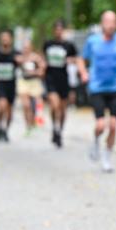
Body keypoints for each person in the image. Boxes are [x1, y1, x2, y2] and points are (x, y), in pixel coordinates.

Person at [77, 11, 116, 173]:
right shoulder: (92, 41)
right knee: (100, 125)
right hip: (97, 87)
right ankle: (96, 140)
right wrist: (83, 72)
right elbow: (82, 59)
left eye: (114, 22)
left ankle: (107, 157)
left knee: (114, 126)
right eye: (108, 22)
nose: (111, 25)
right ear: (102, 23)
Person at [43, 20, 79, 148]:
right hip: (51, 79)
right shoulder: (48, 44)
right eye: (56, 29)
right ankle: (54, 127)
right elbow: (43, 59)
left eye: (60, 29)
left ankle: (59, 131)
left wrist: (71, 60)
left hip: (64, 80)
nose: (58, 32)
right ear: (54, 31)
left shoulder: (69, 46)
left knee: (63, 109)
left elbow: (77, 60)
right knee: (54, 105)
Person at [0, 31, 21, 142]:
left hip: (11, 84)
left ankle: (5, 130)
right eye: (3, 38)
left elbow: (22, 64)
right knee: (2, 105)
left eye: (7, 38)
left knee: (9, 110)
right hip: (0, 83)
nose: (5, 40)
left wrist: (21, 61)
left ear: (11, 39)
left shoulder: (15, 53)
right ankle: (0, 126)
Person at [17, 39, 46, 136]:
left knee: (37, 104)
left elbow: (42, 69)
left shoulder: (35, 58)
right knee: (26, 105)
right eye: (24, 48)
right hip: (23, 82)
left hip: (34, 82)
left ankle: (36, 120)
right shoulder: (19, 58)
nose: (26, 49)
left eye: (27, 47)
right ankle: (28, 125)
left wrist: (35, 72)